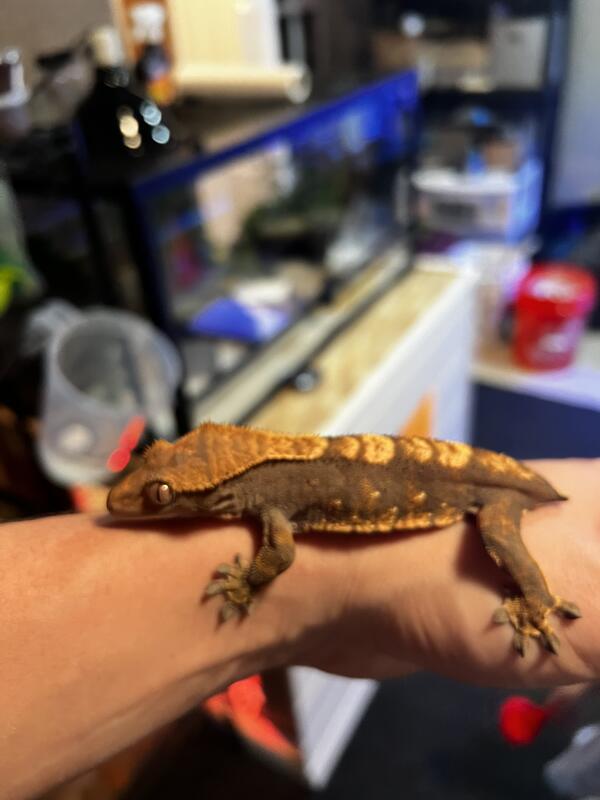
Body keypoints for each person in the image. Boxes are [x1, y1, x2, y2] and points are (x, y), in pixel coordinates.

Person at [1, 458, 599, 800]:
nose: (129, 502)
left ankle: (537, 598)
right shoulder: (259, 490)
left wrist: (535, 599)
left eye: (159, 495)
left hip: (492, 496)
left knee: (501, 539)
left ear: (221, 488)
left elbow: (280, 554)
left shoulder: (267, 499)